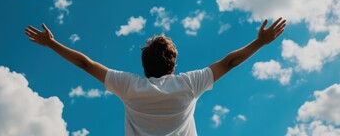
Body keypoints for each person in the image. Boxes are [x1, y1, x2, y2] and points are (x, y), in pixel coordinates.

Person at [25, 17, 286, 136]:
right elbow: (230, 62)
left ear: (144, 66)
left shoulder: (129, 86)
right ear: (173, 66)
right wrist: (260, 42)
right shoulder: (188, 84)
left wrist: (52, 44)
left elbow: (85, 63)